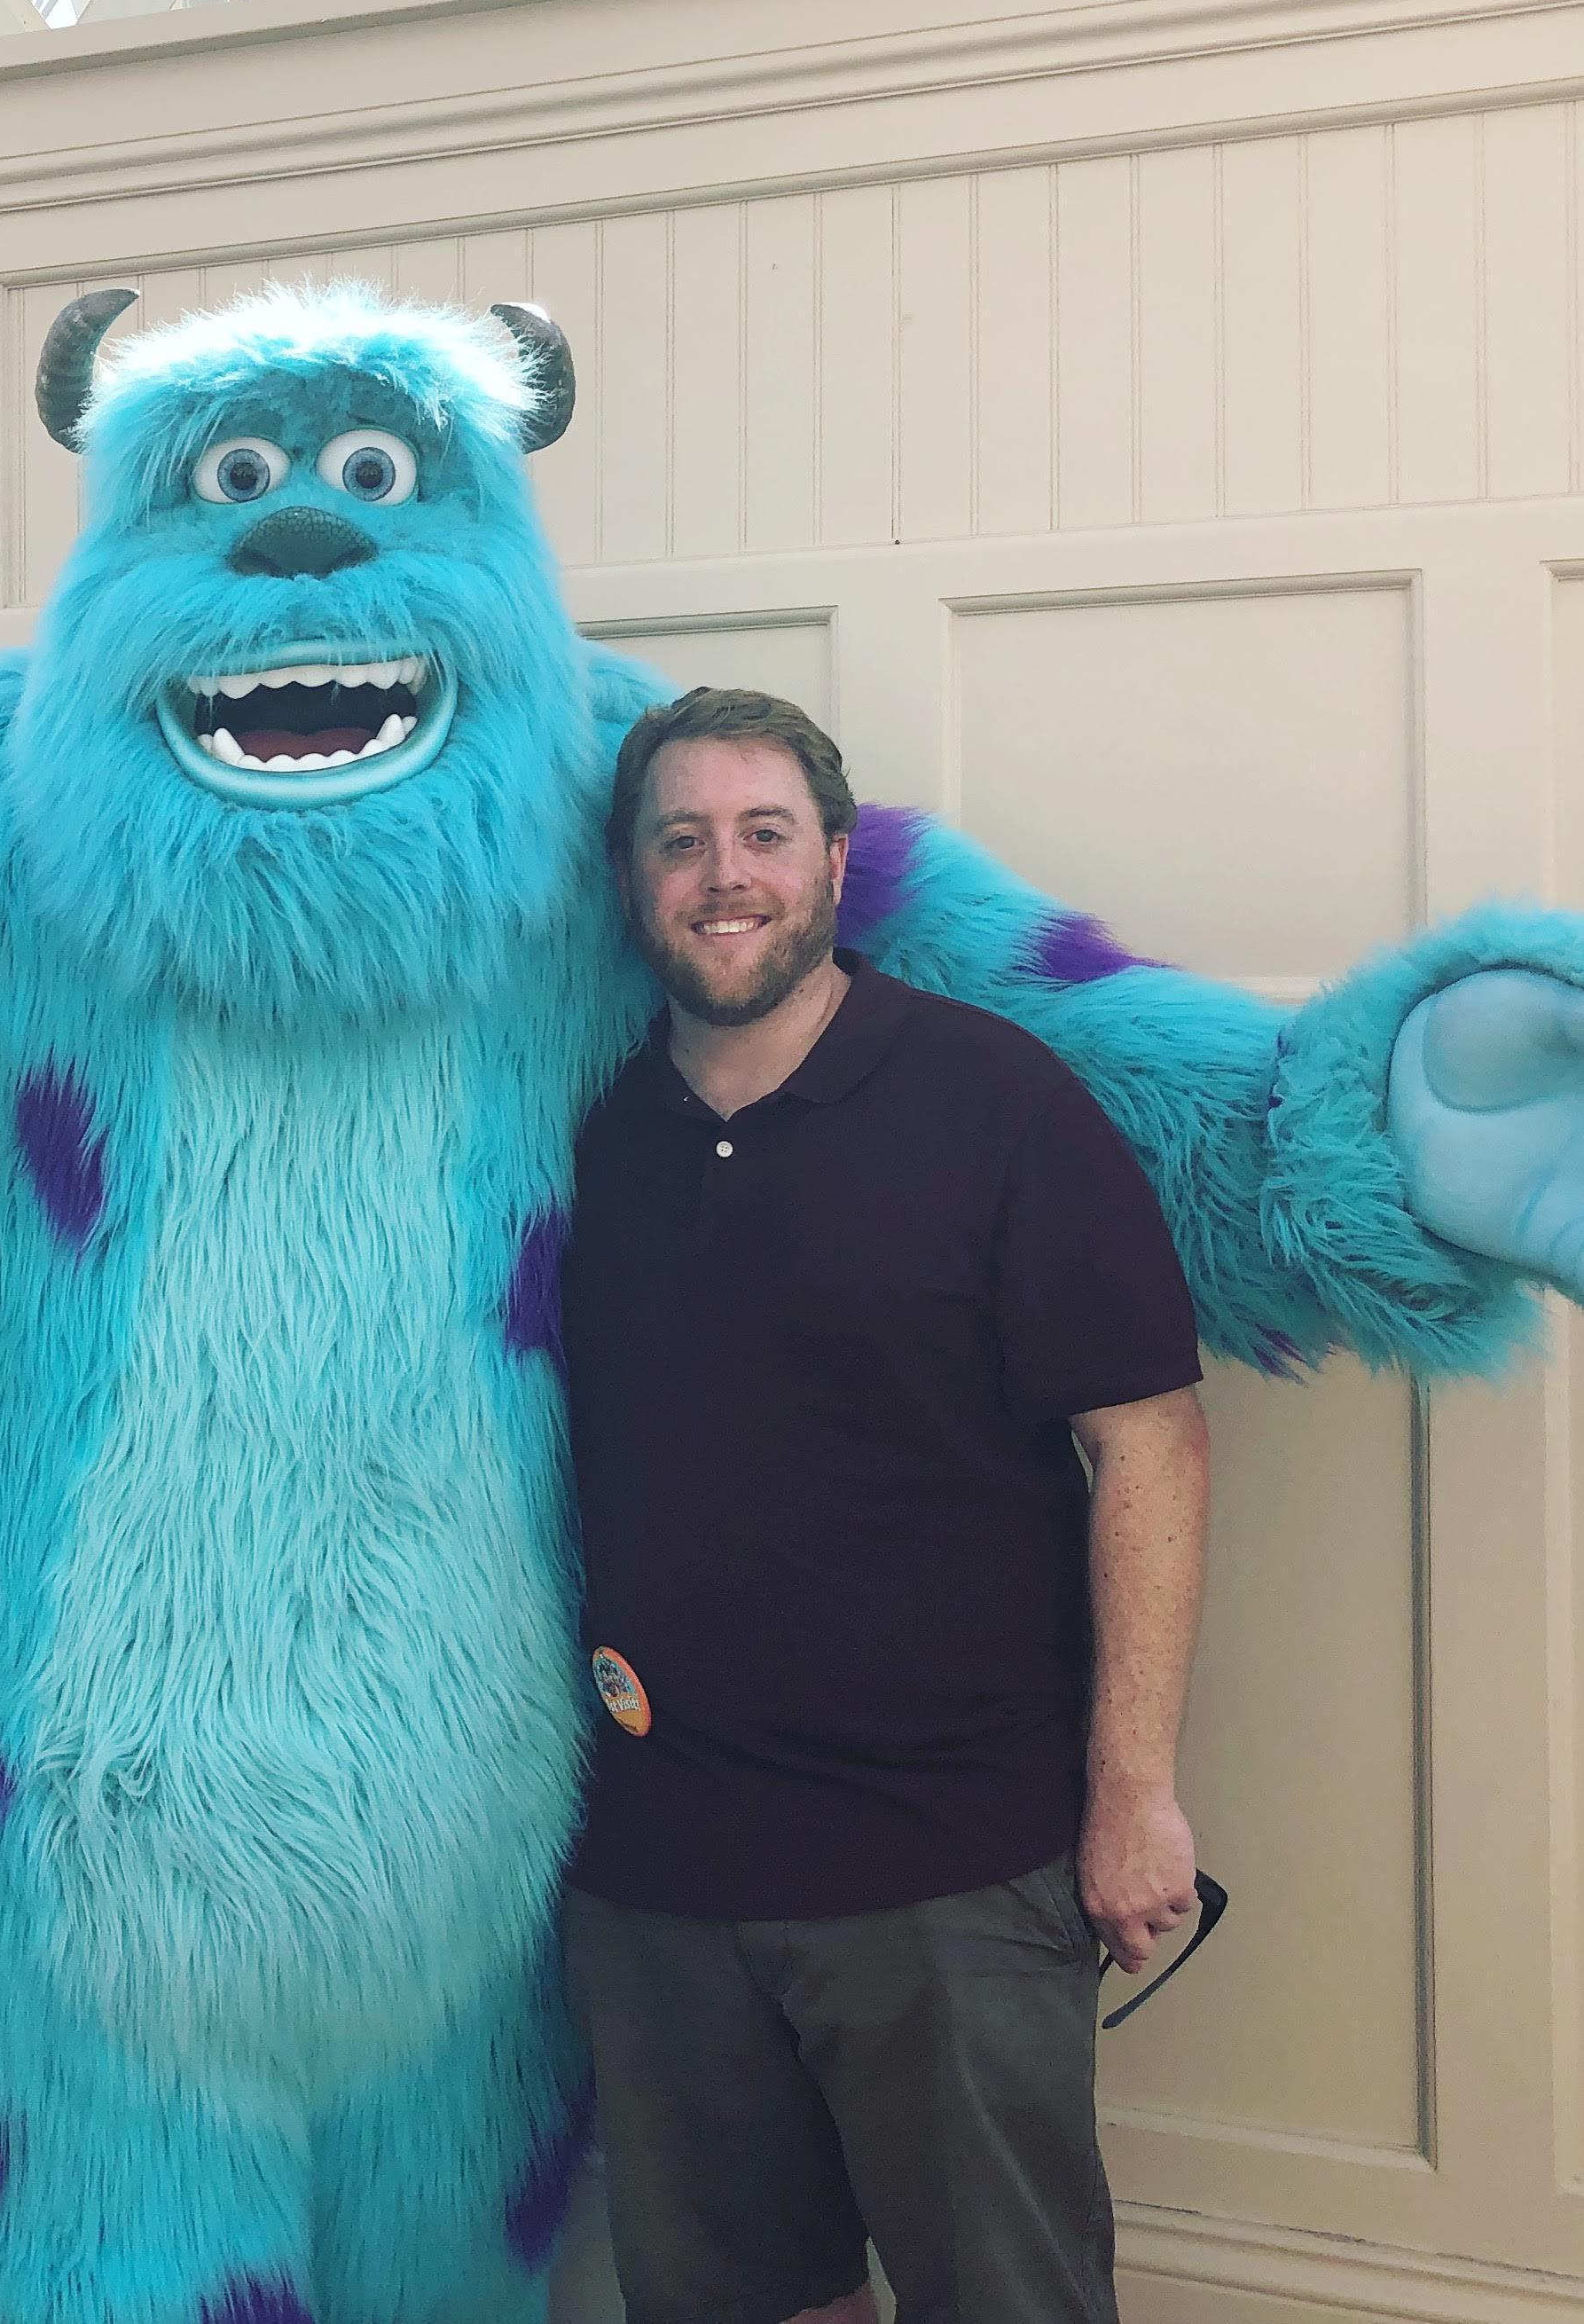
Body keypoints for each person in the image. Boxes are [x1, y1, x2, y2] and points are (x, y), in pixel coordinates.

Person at [560, 687, 1212, 2324]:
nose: (725, 875)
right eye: (680, 840)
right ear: (630, 878)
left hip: (948, 1867)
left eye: (764, 835)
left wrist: (1133, 1792)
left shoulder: (994, 1105)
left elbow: (1148, 1442)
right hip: (655, 1874)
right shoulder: (578, 1138)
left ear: (835, 863)